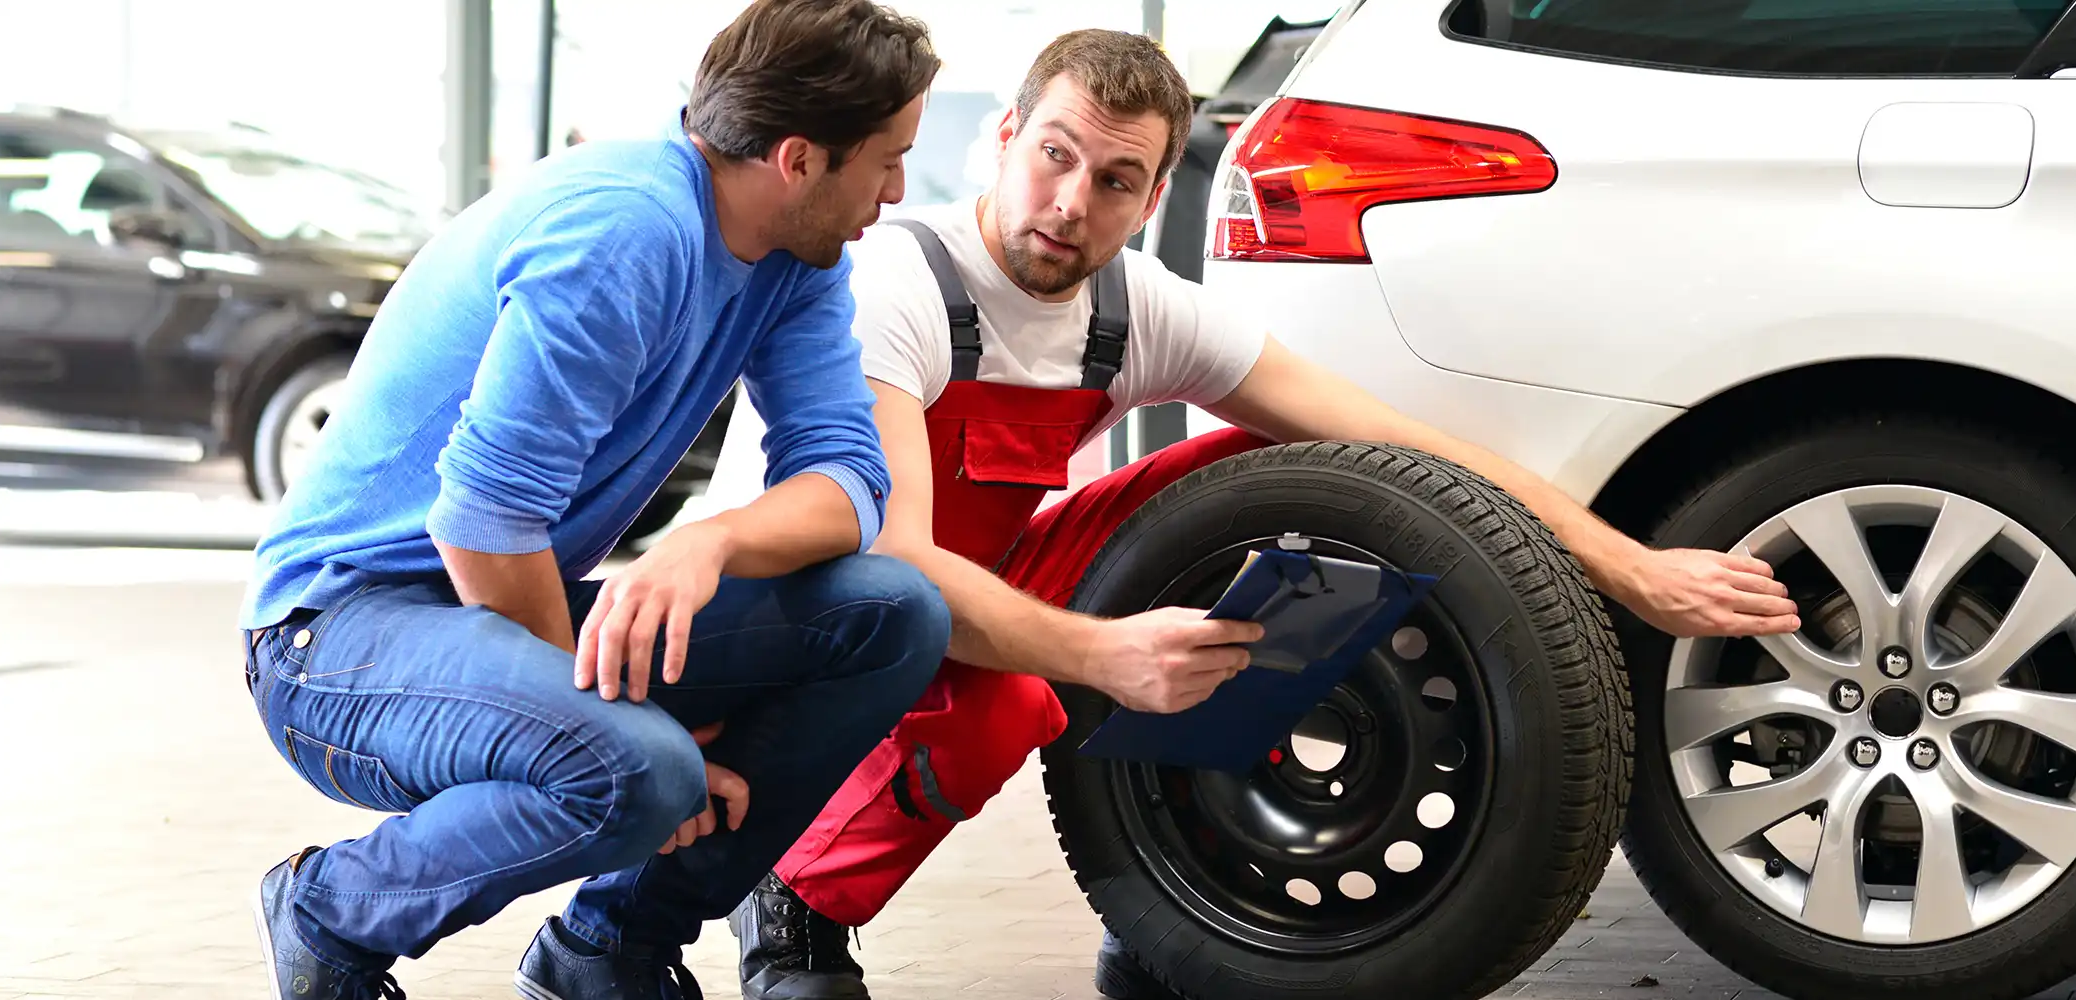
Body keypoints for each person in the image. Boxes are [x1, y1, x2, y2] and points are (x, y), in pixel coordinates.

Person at [724, 26, 1809, 1000]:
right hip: (817, 605)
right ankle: (795, 905)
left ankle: (1176, 895)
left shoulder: (1132, 307)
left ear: (1150, 201)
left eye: (1114, 180)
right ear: (1004, 139)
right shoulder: (896, 282)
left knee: (1311, 484)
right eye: (1053, 155)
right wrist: (1103, 654)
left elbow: (1408, 453)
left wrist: (1631, 568)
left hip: (987, 568)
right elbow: (902, 562)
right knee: (1003, 707)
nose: (1068, 205)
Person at [236, 3, 952, 999]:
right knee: (642, 769)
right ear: (798, 159)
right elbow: (482, 520)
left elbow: (848, 486)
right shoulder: (629, 226)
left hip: (486, 606)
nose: (899, 188)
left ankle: (609, 948)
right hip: (336, 640)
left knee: (891, 612)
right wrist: (619, 721)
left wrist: (712, 541)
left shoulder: (799, 259)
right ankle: (330, 910)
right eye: (887, 158)